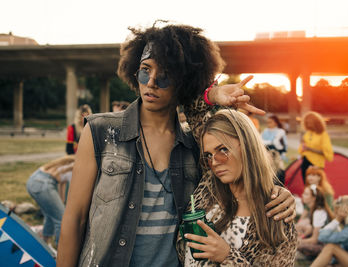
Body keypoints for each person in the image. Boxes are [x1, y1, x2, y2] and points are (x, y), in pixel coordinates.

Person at [57, 22, 296, 267]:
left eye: (164, 75)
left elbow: (240, 173)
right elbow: (74, 219)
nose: (151, 82)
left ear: (184, 81)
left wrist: (277, 193)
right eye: (144, 70)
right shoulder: (100, 131)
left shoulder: (197, 147)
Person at [176, 109, 297, 266]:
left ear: (247, 146)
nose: (214, 162)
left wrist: (227, 256)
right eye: (208, 155)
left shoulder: (278, 218)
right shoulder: (209, 189)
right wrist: (214, 95)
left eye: (223, 150)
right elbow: (194, 108)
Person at [26, 155, 75, 247]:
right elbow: (75, 191)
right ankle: (60, 249)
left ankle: (45, 243)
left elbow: (62, 182)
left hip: (33, 180)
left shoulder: (70, 161)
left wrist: (62, 201)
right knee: (61, 219)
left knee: (50, 214)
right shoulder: (76, 168)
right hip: (44, 184)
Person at [297, 184, 334, 258]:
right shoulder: (315, 209)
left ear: (314, 198)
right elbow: (311, 229)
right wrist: (302, 236)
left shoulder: (318, 212)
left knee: (294, 244)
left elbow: (314, 240)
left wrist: (298, 240)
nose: (302, 195)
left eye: (306, 194)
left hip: (325, 246)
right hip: (322, 242)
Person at [298, 111, 334, 183]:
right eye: (307, 122)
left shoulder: (323, 135)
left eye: (310, 122)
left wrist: (310, 149)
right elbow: (301, 149)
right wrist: (302, 144)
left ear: (316, 123)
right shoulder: (307, 133)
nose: (308, 124)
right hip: (305, 162)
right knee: (306, 185)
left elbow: (326, 152)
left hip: (317, 164)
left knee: (317, 187)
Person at [261, 113, 288, 184]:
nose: (268, 124)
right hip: (267, 156)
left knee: (279, 172)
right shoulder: (265, 131)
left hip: (277, 155)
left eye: (270, 122)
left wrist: (282, 155)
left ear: (276, 123)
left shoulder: (280, 131)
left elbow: (284, 145)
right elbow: (260, 142)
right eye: (267, 122)